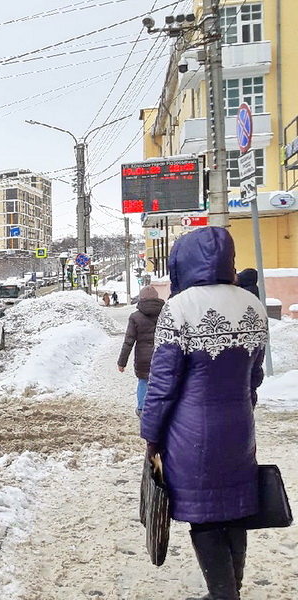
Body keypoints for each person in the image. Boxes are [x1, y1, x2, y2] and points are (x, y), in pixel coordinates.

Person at [141, 227, 268, 600]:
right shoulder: (253, 305)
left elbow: (162, 385)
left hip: (191, 433)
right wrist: (243, 406)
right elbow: (255, 376)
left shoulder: (180, 307)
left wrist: (151, 435)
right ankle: (229, 589)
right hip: (240, 428)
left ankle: (223, 594)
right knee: (234, 509)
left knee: (204, 514)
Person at [117, 285, 164, 417]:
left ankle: (142, 409)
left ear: (141, 298)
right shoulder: (165, 314)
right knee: (161, 382)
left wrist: (122, 362)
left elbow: (128, 342)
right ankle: (159, 408)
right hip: (162, 356)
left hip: (143, 358)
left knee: (143, 382)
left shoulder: (135, 317)